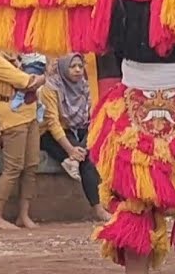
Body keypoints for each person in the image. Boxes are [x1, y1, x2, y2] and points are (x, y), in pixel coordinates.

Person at [0, 49, 45, 229]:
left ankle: (23, 215)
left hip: (30, 112)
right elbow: (26, 81)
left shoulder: (13, 57)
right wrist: (41, 78)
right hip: (12, 117)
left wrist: (39, 78)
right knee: (13, 167)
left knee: (31, 165)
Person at [39, 54, 108, 222]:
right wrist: (70, 149)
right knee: (86, 161)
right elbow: (52, 122)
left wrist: (80, 148)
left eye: (80, 66)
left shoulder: (83, 86)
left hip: (76, 130)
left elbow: (90, 117)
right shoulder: (51, 87)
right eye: (73, 66)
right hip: (49, 134)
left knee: (90, 145)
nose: (78, 70)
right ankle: (98, 210)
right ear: (63, 68)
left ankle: (74, 160)